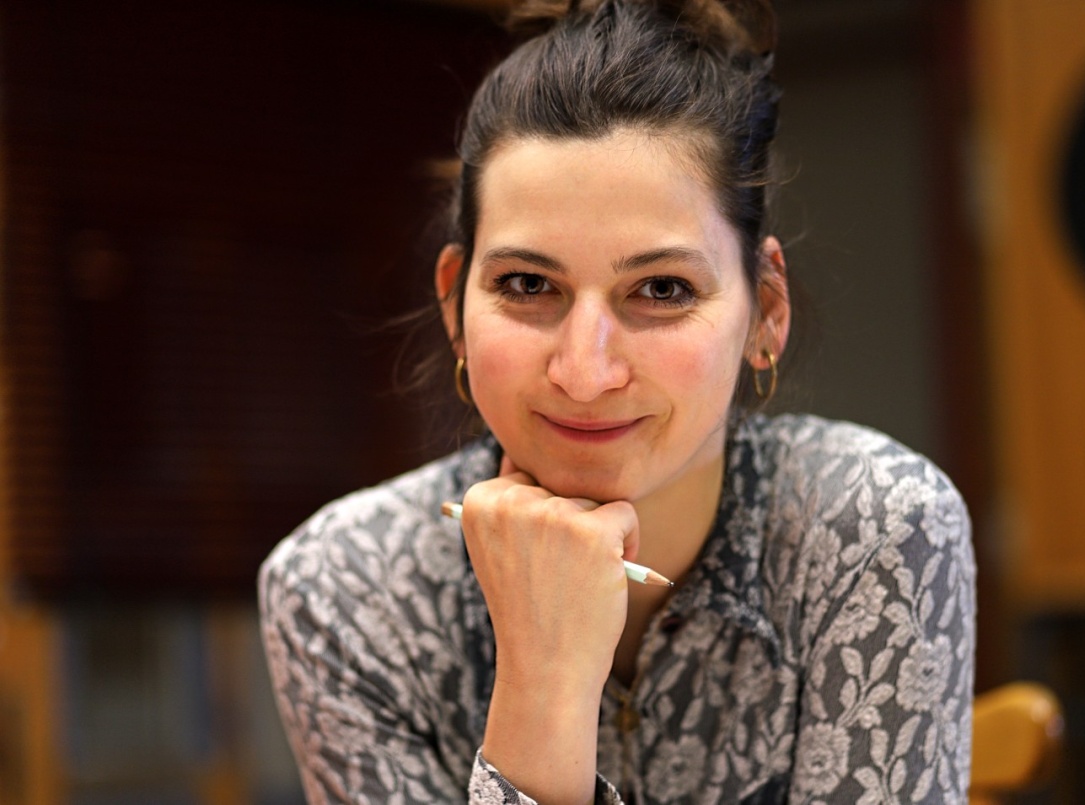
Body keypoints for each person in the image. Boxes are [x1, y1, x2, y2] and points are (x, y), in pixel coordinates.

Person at [258, 0, 977, 802]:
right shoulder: (346, 588)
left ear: (765, 311)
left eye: (662, 289)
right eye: (527, 284)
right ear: (455, 303)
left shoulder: (870, 528)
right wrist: (544, 679)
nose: (585, 371)